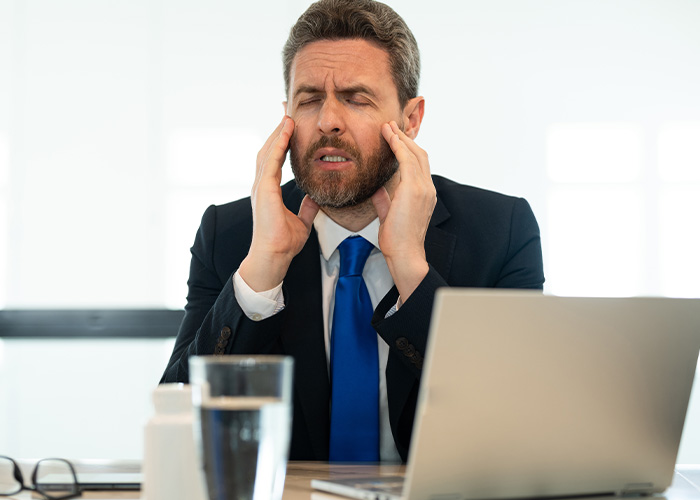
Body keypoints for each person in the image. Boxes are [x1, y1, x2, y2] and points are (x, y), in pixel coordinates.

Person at [161, 0, 544, 463]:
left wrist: (410, 268)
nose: (328, 120)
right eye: (308, 100)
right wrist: (262, 270)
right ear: (287, 118)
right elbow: (177, 428)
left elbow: (518, 427)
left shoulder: (500, 230)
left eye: (357, 98)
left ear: (411, 119)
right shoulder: (231, 233)